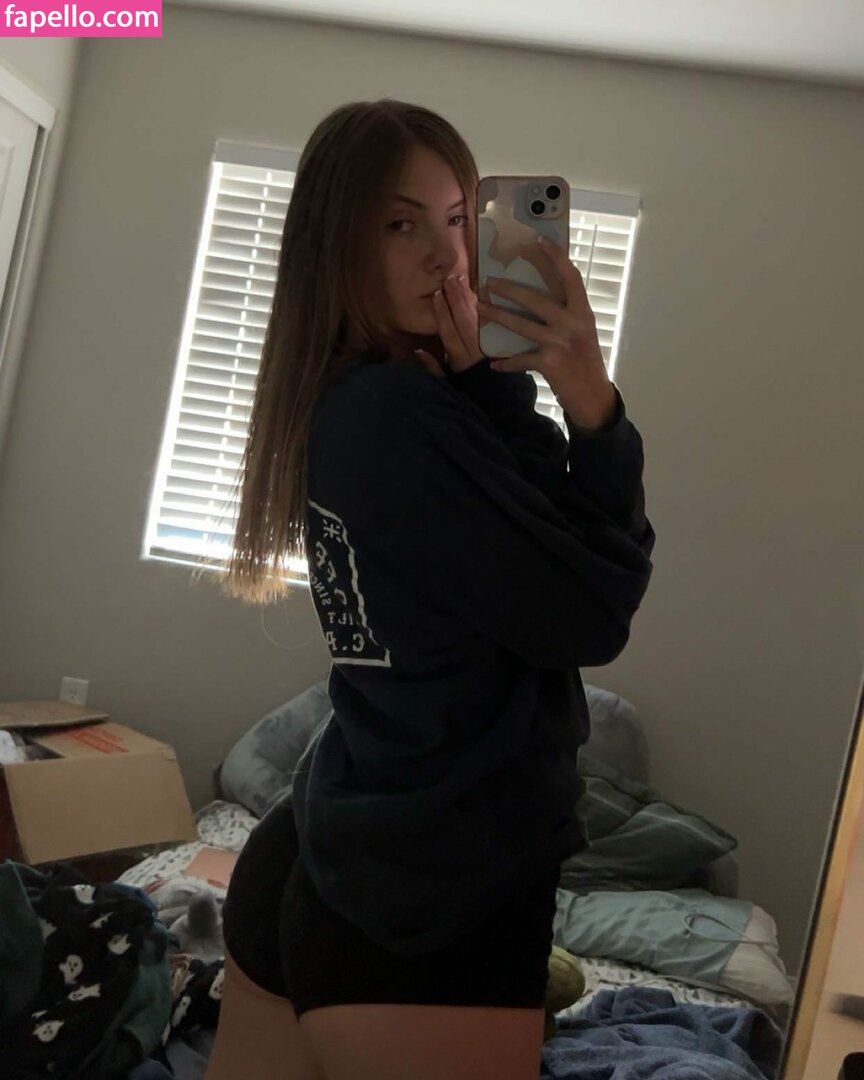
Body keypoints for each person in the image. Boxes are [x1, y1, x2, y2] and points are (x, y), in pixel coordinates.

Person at [204, 98, 655, 1080]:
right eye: (400, 224)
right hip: (431, 893)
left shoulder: (364, 400)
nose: (447, 256)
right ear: (337, 246)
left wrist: (493, 385)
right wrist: (593, 405)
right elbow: (593, 609)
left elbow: (524, 542)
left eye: (457, 219)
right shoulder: (394, 417)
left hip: (340, 851)